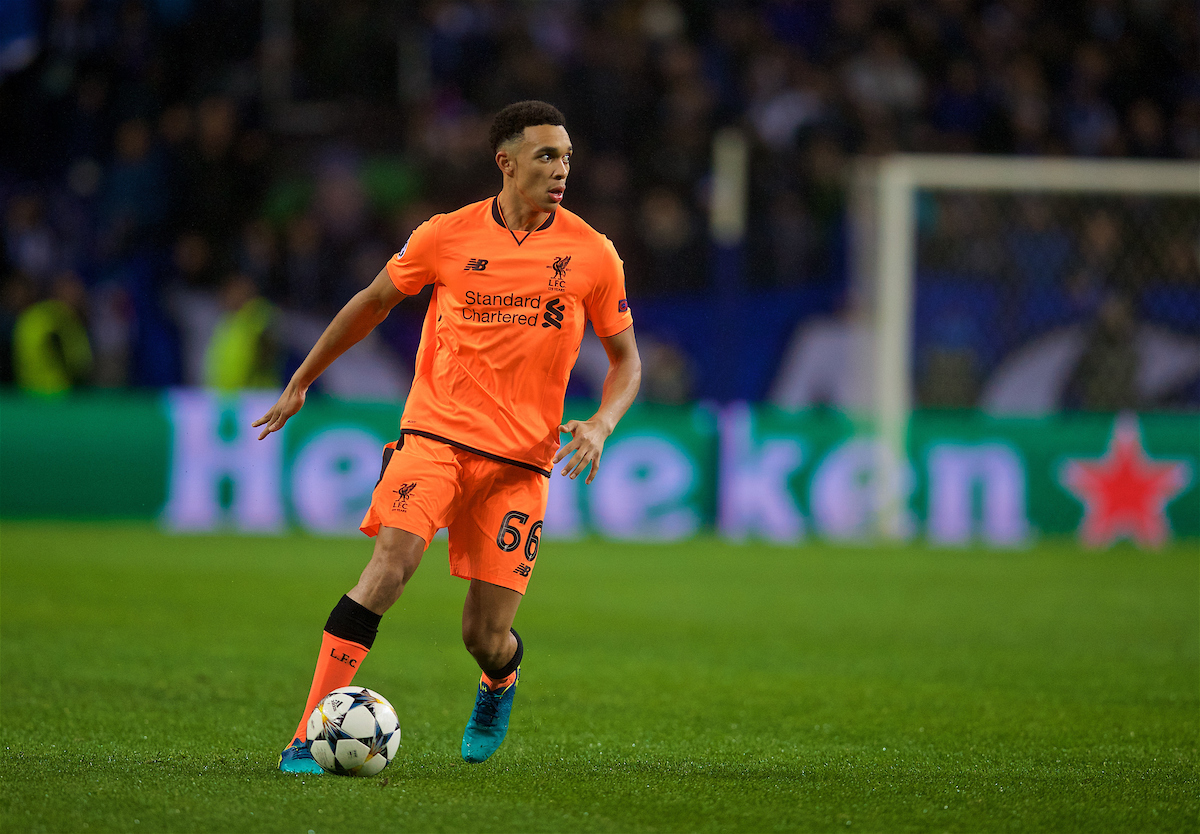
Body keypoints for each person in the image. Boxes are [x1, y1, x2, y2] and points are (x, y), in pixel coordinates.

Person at [254, 101, 642, 772]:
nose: (561, 170)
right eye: (547, 156)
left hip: (520, 464)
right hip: (433, 438)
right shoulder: (445, 236)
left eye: (568, 157)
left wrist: (603, 422)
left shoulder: (592, 254)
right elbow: (375, 300)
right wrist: (303, 377)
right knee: (388, 568)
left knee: (484, 635)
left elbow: (626, 360)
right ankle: (307, 736)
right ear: (507, 162)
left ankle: (501, 680)